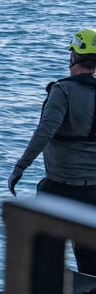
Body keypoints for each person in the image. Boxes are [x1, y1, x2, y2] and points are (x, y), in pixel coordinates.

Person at [9, 28, 96, 274]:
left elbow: (44, 132)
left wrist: (20, 167)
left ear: (74, 58)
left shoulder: (62, 90)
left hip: (59, 188)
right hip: (93, 192)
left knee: (44, 263)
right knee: (91, 267)